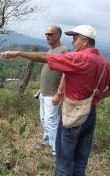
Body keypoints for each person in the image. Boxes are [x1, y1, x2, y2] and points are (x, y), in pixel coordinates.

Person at [0, 24, 110, 176]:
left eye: (75, 39)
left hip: (72, 115)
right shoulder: (105, 64)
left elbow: (45, 57)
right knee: (80, 161)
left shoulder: (79, 58)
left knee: (64, 162)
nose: (72, 42)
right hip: (90, 114)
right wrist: (97, 97)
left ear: (84, 41)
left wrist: (19, 53)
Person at [34, 25, 67, 158]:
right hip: (44, 93)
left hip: (52, 94)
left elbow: (66, 74)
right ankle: (47, 142)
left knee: (51, 121)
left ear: (58, 35)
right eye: (46, 34)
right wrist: (40, 89)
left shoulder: (63, 50)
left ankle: (56, 151)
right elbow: (49, 73)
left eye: (50, 34)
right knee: (44, 119)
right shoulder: (50, 51)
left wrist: (59, 93)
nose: (47, 36)